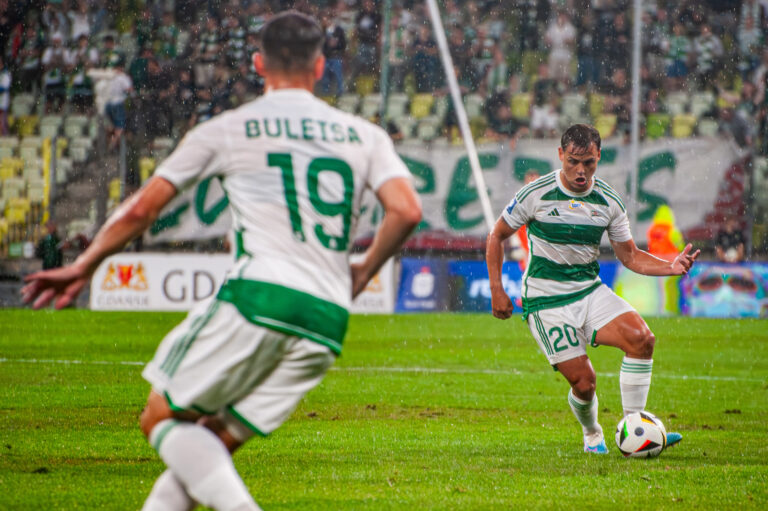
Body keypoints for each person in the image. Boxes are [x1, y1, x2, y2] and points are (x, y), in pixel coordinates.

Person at [22, 11, 422, 511]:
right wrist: (362, 270)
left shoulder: (231, 129)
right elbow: (407, 210)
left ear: (259, 64)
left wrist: (85, 265)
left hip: (260, 295)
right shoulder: (364, 135)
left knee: (159, 418)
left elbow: (144, 207)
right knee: (204, 445)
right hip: (327, 318)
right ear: (320, 68)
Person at [485, 124, 699, 454]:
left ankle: (636, 430)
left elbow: (629, 255)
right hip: (546, 301)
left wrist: (669, 266)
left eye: (588, 162)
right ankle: (592, 432)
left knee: (642, 339)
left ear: (599, 156)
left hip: (589, 291)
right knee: (584, 383)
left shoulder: (608, 202)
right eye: (573, 162)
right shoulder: (536, 193)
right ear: (560, 155)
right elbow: (496, 235)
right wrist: (497, 289)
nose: (581, 171)